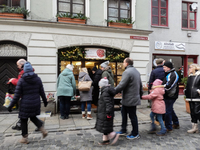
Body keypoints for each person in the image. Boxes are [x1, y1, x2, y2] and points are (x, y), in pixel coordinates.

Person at [7, 62, 48, 144]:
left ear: (24, 70)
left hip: (25, 103)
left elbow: (17, 96)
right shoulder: (38, 79)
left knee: (23, 119)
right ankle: (43, 130)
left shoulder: (21, 81)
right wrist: (45, 101)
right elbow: (42, 92)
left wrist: (10, 106)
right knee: (33, 117)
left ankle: (24, 138)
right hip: (35, 103)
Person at [115, 58, 143, 140]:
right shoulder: (136, 71)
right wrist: (140, 95)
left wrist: (113, 91)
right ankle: (123, 129)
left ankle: (135, 133)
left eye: (123, 62)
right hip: (131, 98)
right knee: (124, 114)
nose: (123, 64)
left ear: (127, 63)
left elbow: (121, 85)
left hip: (129, 99)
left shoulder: (127, 72)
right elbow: (140, 85)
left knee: (132, 116)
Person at [95, 77, 119, 145]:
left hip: (105, 112)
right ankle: (106, 140)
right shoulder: (105, 90)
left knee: (106, 126)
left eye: (99, 85)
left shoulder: (105, 92)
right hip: (104, 111)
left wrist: (108, 112)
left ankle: (114, 135)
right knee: (105, 127)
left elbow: (108, 103)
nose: (99, 86)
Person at [162, 61, 180, 132]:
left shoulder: (173, 74)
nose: (163, 69)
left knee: (167, 111)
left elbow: (169, 86)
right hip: (167, 94)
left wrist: (161, 88)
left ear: (168, 67)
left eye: (164, 67)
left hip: (171, 95)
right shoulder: (168, 73)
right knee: (170, 110)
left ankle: (169, 127)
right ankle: (176, 123)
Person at [184, 63, 200, 133]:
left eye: (190, 67)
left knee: (197, 112)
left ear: (195, 68)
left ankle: (196, 127)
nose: (189, 69)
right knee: (192, 112)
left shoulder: (199, 75)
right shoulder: (190, 76)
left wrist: (198, 91)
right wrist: (185, 90)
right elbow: (188, 85)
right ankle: (194, 127)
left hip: (197, 96)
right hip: (190, 96)